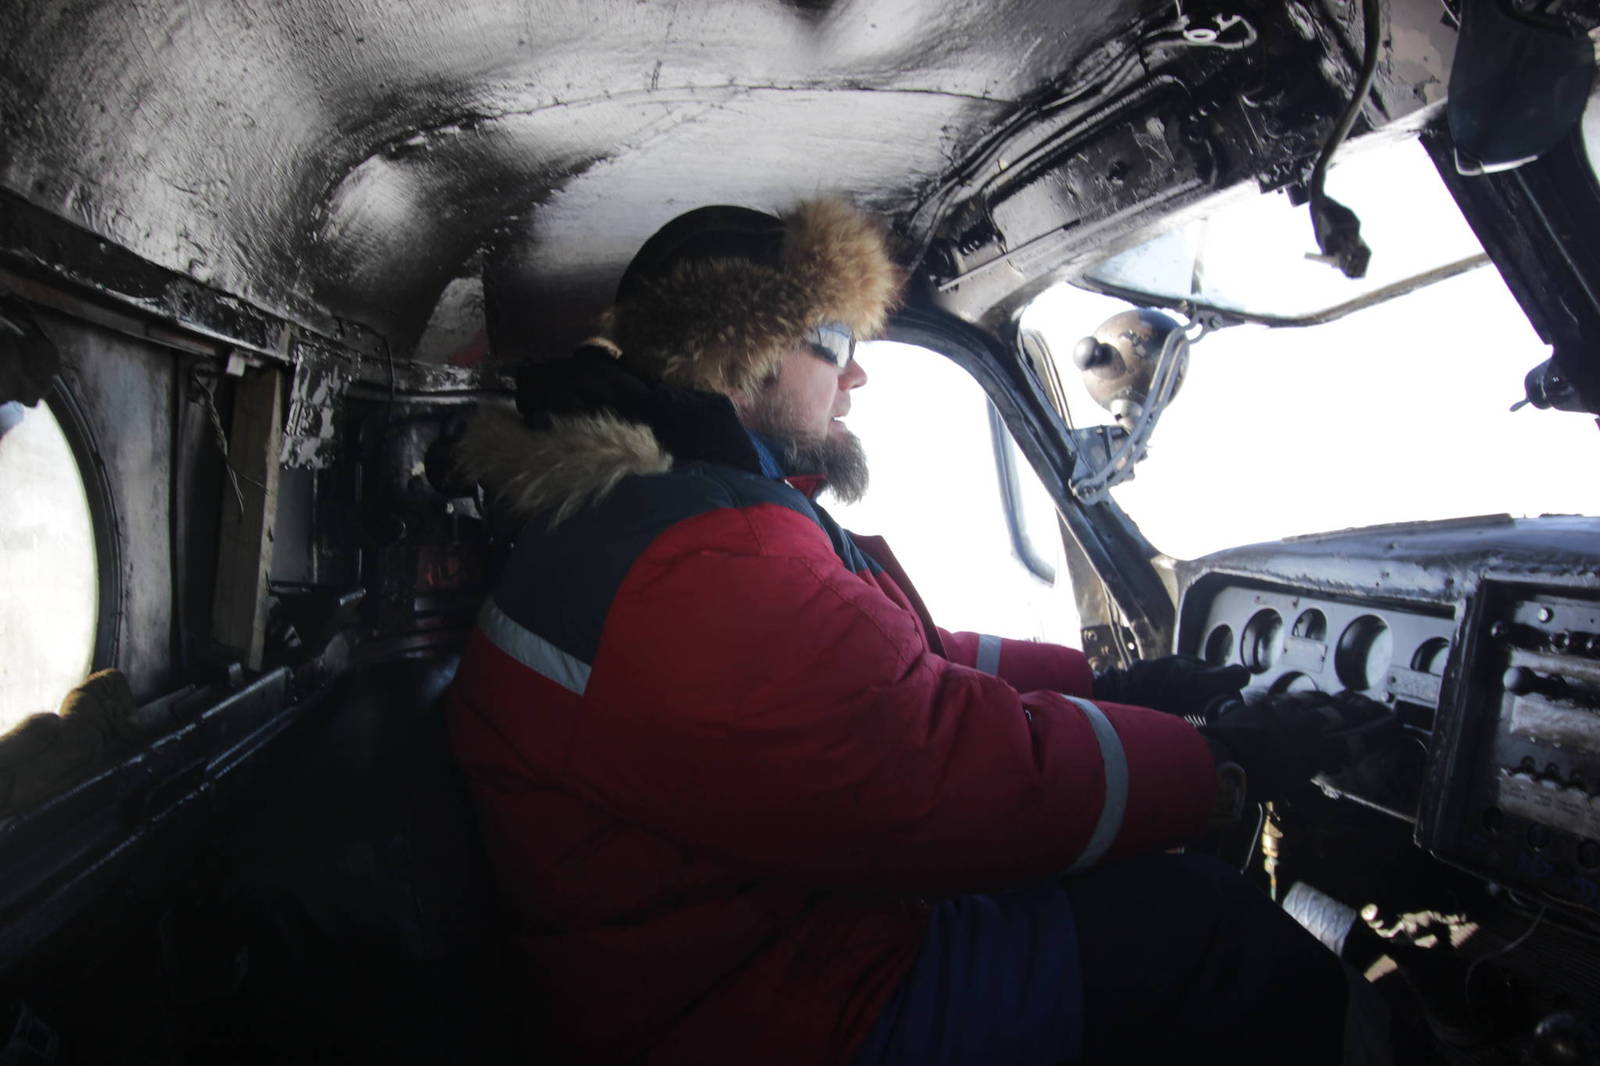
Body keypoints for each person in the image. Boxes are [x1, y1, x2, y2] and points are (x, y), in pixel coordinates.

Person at [447, 198, 1392, 1065]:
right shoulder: (691, 557)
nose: (856, 367)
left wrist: (1114, 689)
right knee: (1207, 933)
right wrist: (1213, 761)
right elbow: (929, 775)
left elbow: (905, 667)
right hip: (764, 1013)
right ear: (734, 349)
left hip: (760, 944)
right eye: (832, 337)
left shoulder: (674, 512)